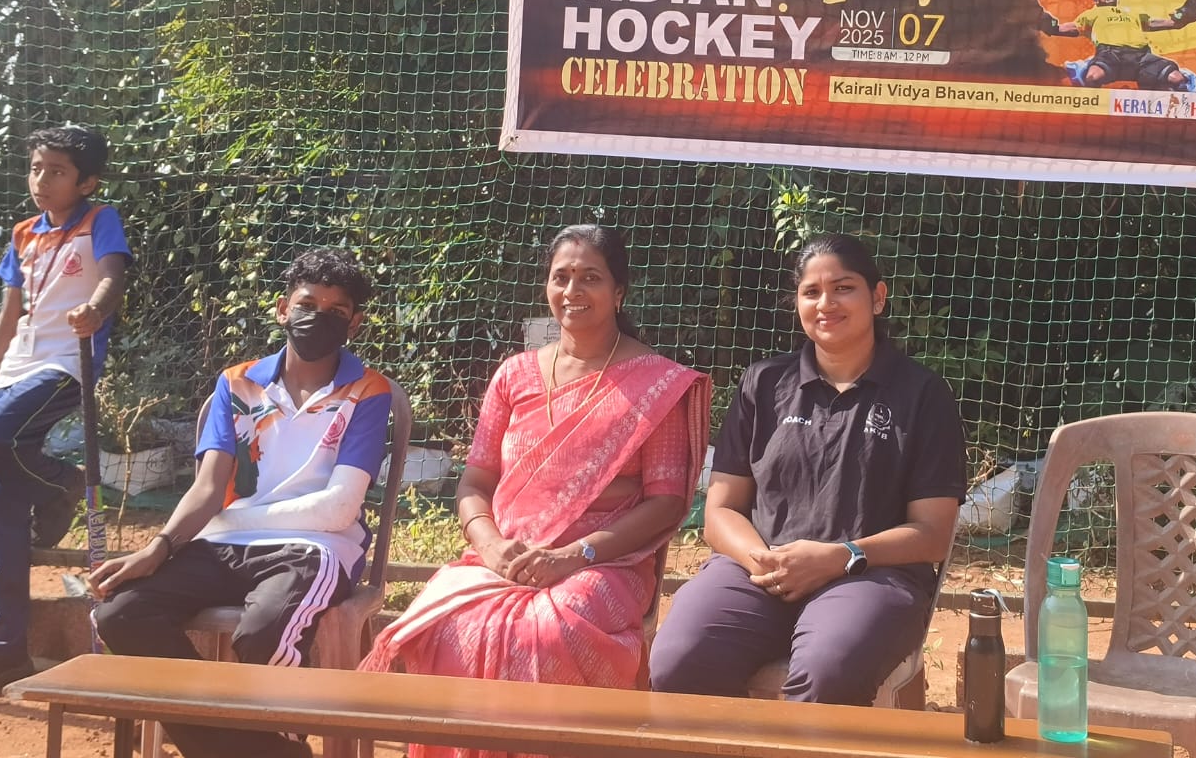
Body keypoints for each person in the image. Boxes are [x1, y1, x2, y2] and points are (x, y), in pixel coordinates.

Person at [360, 224, 710, 758]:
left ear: (619, 292)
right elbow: (475, 483)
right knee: (445, 623)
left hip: (602, 563)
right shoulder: (514, 375)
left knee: (545, 633)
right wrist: (491, 546)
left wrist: (574, 554)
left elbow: (666, 504)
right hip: (504, 557)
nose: (572, 291)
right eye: (561, 277)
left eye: (590, 278)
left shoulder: (657, 384)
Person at [91, 248, 391, 758]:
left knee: (264, 630)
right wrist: (159, 548)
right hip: (224, 546)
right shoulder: (237, 383)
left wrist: (229, 519)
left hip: (315, 548)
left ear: (354, 323)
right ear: (282, 309)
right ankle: (253, 750)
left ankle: (252, 746)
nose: (317, 317)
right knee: (120, 613)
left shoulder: (369, 390)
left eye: (336, 310)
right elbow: (208, 488)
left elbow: (339, 509)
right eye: (306, 304)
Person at [649, 233, 966, 706]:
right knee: (679, 659)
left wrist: (839, 556)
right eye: (811, 291)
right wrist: (764, 561)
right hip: (758, 571)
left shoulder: (922, 394)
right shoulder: (763, 383)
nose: (826, 303)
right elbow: (720, 512)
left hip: (869, 576)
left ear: (877, 298)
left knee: (827, 672)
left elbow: (932, 534)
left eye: (844, 288)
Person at [0, 125, 131, 697]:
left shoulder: (99, 219)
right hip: (17, 366)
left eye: (57, 171)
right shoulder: (23, 233)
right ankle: (4, 651)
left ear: (86, 181)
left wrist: (95, 309)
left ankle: (63, 485)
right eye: (37, 168)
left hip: (65, 364)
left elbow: (113, 277)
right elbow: (8, 317)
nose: (42, 179)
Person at [1036, 0, 1196, 91]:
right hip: (1110, 55)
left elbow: (1174, 23)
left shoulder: (1133, 13)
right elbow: (1057, 29)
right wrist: (1036, 10)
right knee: (1092, 77)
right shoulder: (1092, 14)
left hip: (1141, 57)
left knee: (1177, 79)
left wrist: (1194, 0)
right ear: (1096, 0)